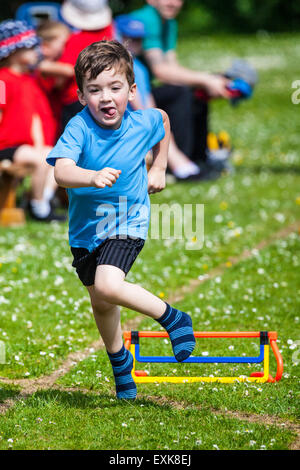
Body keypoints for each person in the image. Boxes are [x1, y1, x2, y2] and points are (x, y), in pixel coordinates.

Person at [46, 40, 196, 399]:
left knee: (111, 286)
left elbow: (161, 119)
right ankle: (120, 363)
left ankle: (174, 318)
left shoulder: (141, 120)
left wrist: (159, 167)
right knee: (101, 302)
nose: (106, 98)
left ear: (131, 91)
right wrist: (90, 176)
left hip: (127, 222)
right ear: (82, 96)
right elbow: (62, 172)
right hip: (85, 231)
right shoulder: (79, 128)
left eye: (115, 88)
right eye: (94, 90)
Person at [130, 0, 231, 169]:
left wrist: (208, 82)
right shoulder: (146, 20)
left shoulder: (169, 23)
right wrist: (206, 80)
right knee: (181, 93)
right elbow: (161, 70)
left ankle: (198, 157)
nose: (172, 3)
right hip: (133, 96)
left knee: (194, 93)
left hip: (147, 89)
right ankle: (178, 164)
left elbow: (172, 68)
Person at [115, 14, 203, 181]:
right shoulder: (119, 64)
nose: (133, 44)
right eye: (129, 38)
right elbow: (135, 99)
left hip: (135, 119)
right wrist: (150, 120)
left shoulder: (139, 67)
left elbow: (147, 97)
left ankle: (177, 162)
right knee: (156, 127)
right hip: (122, 121)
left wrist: (156, 117)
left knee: (162, 122)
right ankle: (178, 164)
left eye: (138, 40)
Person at [0, 19, 64, 222]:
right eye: (29, 47)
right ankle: (38, 209)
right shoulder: (1, 80)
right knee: (39, 160)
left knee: (54, 157)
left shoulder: (30, 82)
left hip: (25, 145)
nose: (35, 51)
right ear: (13, 51)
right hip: (6, 145)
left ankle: (40, 202)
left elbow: (35, 118)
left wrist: (41, 145)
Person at [58, 0, 115, 129]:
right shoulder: (110, 31)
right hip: (106, 97)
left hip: (77, 100)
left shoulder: (75, 40)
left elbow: (63, 77)